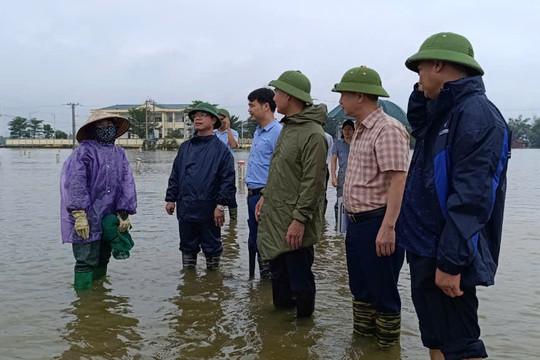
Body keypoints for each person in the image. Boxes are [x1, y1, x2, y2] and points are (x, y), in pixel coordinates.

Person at [398, 32, 511, 360]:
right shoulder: (442, 114)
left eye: (419, 71)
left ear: (437, 65)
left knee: (461, 346)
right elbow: (418, 126)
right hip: (423, 247)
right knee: (435, 338)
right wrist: (422, 96)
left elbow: (473, 199)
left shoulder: (477, 116)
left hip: (446, 253)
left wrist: (452, 261)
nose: (418, 80)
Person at [333, 66, 410, 348]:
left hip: (378, 223)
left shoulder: (388, 129)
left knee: (383, 294)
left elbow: (398, 181)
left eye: (343, 94)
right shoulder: (361, 131)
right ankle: (363, 347)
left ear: (360, 95)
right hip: (356, 224)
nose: (340, 100)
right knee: (361, 291)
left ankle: (387, 350)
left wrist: (389, 227)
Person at [255, 70, 328, 317]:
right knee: (279, 275)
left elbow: (314, 183)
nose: (274, 97)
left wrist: (299, 220)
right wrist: (265, 195)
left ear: (289, 95)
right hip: (276, 215)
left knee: (300, 277)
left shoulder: (313, 134)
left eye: (277, 92)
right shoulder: (289, 128)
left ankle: (304, 331)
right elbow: (280, 169)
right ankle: (282, 338)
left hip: (295, 222)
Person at [60, 112, 137, 290]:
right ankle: (84, 304)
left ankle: (99, 298)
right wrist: (79, 212)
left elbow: (127, 181)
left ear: (115, 129)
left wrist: (124, 211)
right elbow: (76, 183)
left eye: (109, 125)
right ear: (93, 130)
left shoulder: (120, 153)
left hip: (108, 215)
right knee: (85, 259)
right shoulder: (83, 152)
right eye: (100, 126)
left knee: (103, 256)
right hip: (86, 215)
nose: (106, 128)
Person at [165, 102, 237, 270]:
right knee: (187, 248)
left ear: (213, 120)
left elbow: (228, 180)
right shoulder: (185, 147)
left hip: (209, 208)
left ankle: (212, 285)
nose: (197, 118)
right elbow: (176, 174)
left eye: (202, 115)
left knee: (212, 249)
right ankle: (189, 286)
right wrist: (171, 199)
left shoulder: (221, 150)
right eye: (195, 116)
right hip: (186, 207)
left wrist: (221, 205)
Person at [245, 88, 282, 279]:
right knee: (255, 241)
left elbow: (281, 170)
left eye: (252, 105)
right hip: (252, 195)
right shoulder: (259, 132)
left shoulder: (278, 133)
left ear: (266, 106)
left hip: (265, 196)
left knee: (266, 241)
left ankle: (268, 284)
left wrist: (267, 196)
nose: (249, 110)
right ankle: (260, 288)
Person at [215, 108, 239, 220]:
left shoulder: (233, 133)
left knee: (230, 195)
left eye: (222, 119)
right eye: (217, 119)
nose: (220, 122)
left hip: (227, 169)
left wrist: (228, 128)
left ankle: (233, 223)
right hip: (214, 169)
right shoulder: (213, 133)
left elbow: (233, 145)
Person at [330, 119, 354, 225]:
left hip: (355, 174)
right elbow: (333, 160)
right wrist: (334, 177)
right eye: (345, 129)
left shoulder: (357, 143)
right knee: (340, 200)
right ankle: (339, 225)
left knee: (353, 200)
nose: (347, 131)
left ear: (354, 130)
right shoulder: (338, 144)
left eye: (349, 129)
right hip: (342, 174)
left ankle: (350, 224)